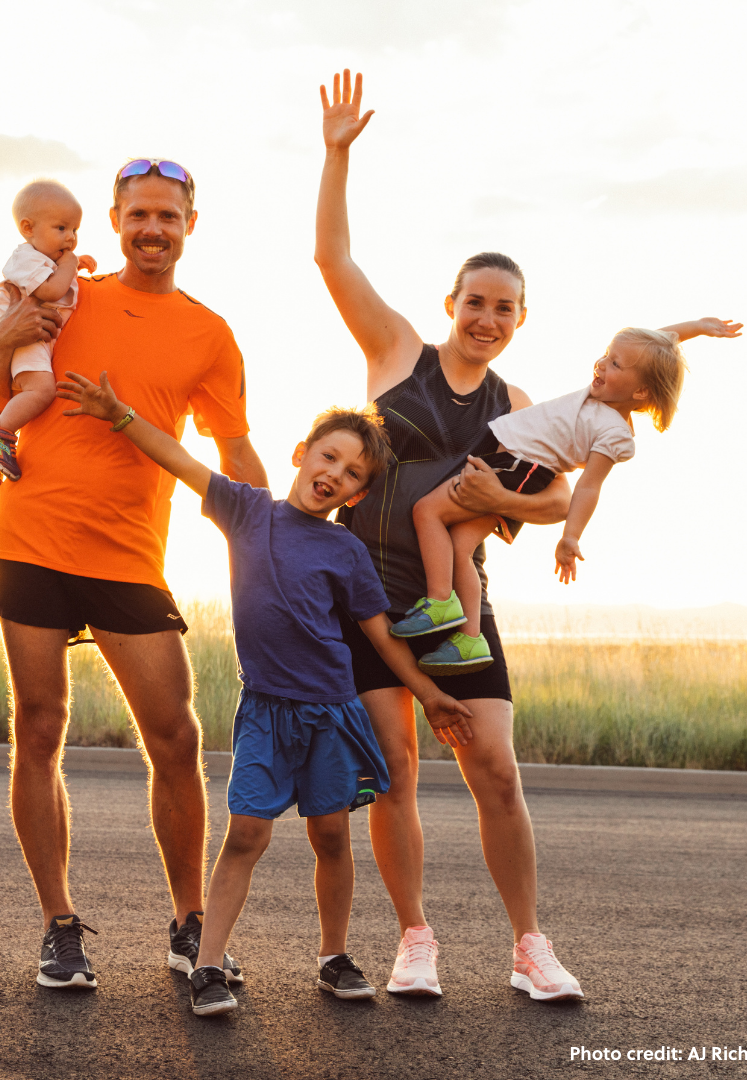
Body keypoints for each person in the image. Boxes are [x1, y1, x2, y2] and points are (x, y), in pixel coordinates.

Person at [315, 70, 743, 1002]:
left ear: (520, 320)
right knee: (396, 772)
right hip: (367, 593)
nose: (487, 317)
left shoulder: (522, 408)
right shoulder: (395, 352)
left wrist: (500, 503)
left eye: (505, 307)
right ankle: (415, 939)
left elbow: (551, 504)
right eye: (475, 300)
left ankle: (529, 948)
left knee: (496, 769)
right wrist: (337, 155)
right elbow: (332, 261)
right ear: (451, 303)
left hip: (459, 605)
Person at [58, 368, 475, 1015]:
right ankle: (206, 966)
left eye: (352, 472)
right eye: (328, 456)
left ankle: (333, 957)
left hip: (333, 713)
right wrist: (119, 413)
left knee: (331, 838)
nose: (335, 473)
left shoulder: (345, 551)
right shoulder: (248, 512)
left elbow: (381, 637)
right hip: (267, 713)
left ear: (359, 494)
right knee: (247, 834)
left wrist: (426, 692)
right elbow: (180, 459)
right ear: (301, 456)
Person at [0, 159, 270, 990]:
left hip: (131, 555)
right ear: (114, 219)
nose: (152, 229)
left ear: (188, 226)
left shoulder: (209, 332)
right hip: (29, 536)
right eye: (138, 214)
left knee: (176, 736)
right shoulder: (68, 295)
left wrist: (271, 533)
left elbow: (234, 446)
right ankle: (59, 926)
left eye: (167, 217)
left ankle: (189, 925)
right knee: (38, 725)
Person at [392, 321, 738, 674]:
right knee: (459, 547)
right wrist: (697, 327)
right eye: (606, 355)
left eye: (616, 364)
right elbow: (655, 343)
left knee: (427, 511)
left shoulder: (614, 432)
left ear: (641, 392)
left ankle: (439, 600)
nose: (602, 364)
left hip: (520, 468)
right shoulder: (599, 394)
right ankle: (469, 640)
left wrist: (570, 536)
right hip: (512, 464)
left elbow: (589, 485)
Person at [0, 179, 97, 490]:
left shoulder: (44, 261)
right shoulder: (25, 258)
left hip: (35, 336)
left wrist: (71, 265)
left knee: (36, 390)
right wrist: (70, 264)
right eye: (62, 228)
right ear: (28, 228)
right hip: (25, 336)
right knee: (42, 390)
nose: (71, 239)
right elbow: (52, 289)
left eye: (75, 231)